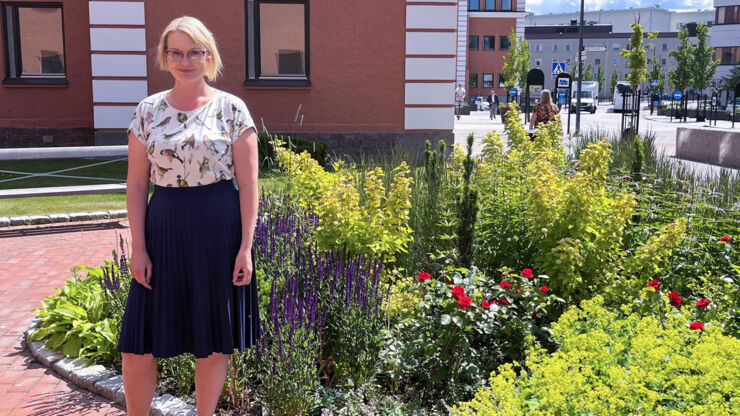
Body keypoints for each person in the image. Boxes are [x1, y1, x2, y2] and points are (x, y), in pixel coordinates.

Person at [118, 16, 261, 416]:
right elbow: (135, 186)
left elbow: (249, 186)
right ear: (165, 56)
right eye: (176, 52)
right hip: (162, 231)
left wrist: (246, 248)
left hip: (218, 232)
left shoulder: (232, 109)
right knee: (136, 345)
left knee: (213, 341)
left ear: (208, 55)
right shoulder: (147, 111)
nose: (186, 60)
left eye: (194, 51)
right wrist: (139, 248)